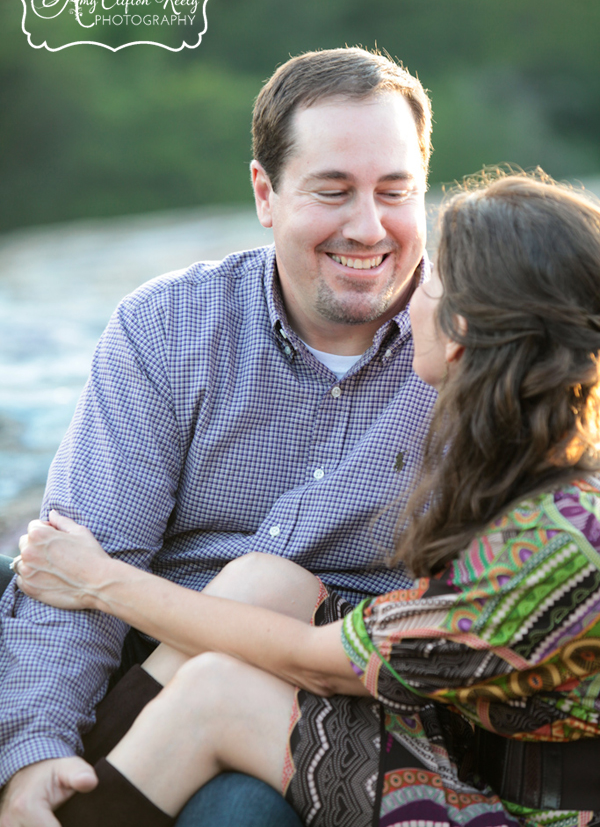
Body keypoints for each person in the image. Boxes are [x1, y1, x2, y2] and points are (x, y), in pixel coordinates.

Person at [13, 172, 600, 827]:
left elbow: (321, 667)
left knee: (219, 697)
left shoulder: (561, 540)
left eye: (432, 282)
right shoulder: (534, 461)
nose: (410, 298)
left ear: (464, 331)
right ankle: (46, 791)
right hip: (457, 736)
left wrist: (101, 582)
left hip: (519, 810)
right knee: (263, 582)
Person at [0, 47, 438, 827]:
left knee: (239, 802)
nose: (368, 227)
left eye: (395, 192)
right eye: (332, 192)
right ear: (266, 193)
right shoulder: (169, 326)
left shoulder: (475, 346)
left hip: (351, 699)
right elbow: (77, 569)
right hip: (155, 671)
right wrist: (33, 751)